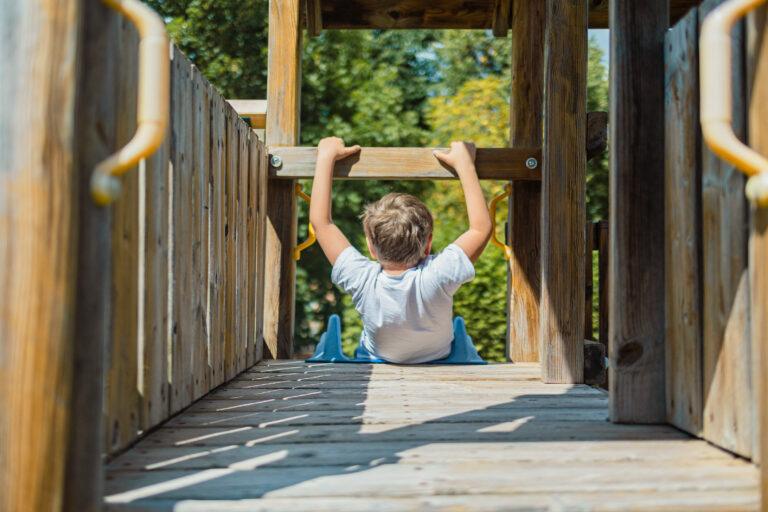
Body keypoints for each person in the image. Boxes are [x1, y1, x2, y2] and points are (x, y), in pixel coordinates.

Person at [309, 137, 492, 364]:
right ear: (428, 244)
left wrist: (326, 157)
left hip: (373, 361)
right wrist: (465, 165)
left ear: (371, 248)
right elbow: (481, 229)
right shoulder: (438, 274)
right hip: (442, 362)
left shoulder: (361, 278)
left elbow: (321, 223)